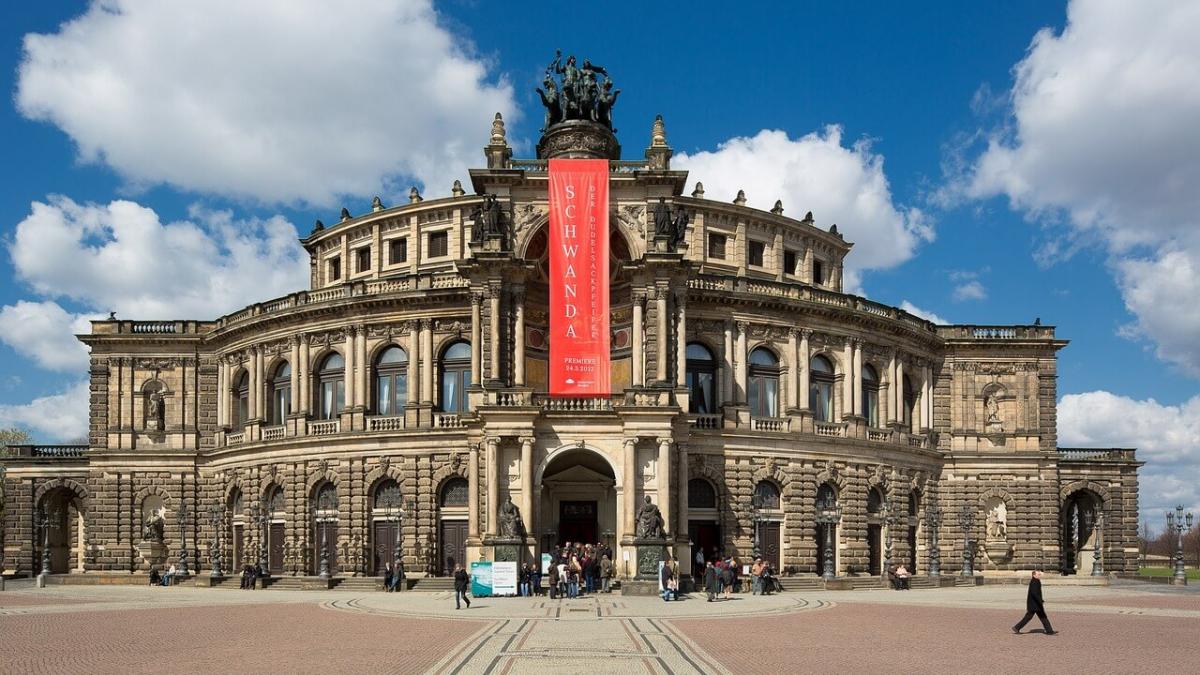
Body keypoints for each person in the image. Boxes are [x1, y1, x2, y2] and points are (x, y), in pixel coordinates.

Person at [1012, 570, 1056, 635]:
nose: (1039, 575)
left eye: (1039, 574)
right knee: (1035, 617)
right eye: (1038, 574)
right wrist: (1040, 600)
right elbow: (1034, 593)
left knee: (1041, 617)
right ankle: (1017, 627)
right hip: (1035, 604)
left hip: (1035, 604)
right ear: (1034, 575)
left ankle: (1049, 631)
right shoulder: (1035, 582)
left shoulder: (1035, 581)